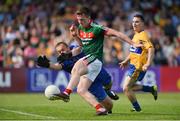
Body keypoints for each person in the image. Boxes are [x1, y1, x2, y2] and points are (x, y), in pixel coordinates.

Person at [57, 6, 143, 115]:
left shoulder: (97, 28)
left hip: (95, 59)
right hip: (89, 63)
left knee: (77, 66)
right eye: (78, 20)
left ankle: (66, 93)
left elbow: (117, 34)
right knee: (81, 90)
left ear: (89, 18)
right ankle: (100, 109)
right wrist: (75, 36)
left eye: (82, 20)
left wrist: (133, 43)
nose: (80, 22)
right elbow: (82, 45)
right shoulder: (80, 28)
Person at [37, 41, 119, 115]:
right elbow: (56, 66)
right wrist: (47, 64)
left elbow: (80, 47)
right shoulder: (63, 61)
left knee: (109, 82)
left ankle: (107, 91)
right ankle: (101, 108)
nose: (61, 52)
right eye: (59, 52)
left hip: (95, 69)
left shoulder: (74, 48)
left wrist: (75, 36)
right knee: (109, 106)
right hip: (88, 79)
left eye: (63, 49)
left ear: (68, 47)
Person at [119, 14, 158, 112]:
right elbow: (133, 52)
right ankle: (151, 89)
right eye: (133, 22)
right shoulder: (136, 35)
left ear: (143, 23)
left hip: (137, 67)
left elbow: (151, 48)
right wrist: (125, 61)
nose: (134, 24)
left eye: (137, 22)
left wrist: (148, 63)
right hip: (133, 65)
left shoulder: (143, 35)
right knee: (130, 87)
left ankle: (137, 108)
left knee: (126, 88)